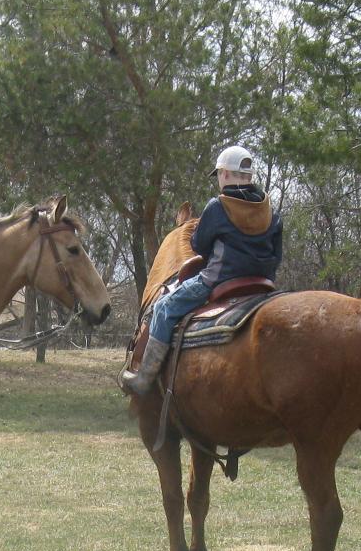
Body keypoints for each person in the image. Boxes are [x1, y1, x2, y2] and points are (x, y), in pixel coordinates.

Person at [121, 144, 283, 397]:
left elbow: (199, 245)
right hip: (263, 284)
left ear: (225, 174)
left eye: (219, 174)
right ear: (248, 176)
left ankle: (145, 377)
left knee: (163, 308)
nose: (219, 179)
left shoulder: (218, 206)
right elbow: (277, 255)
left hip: (219, 280)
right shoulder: (270, 211)